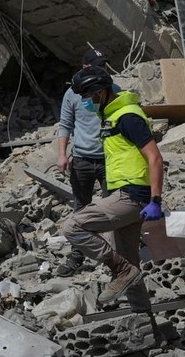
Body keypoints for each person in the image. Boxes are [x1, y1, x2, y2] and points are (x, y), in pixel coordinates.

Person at [61, 66, 163, 316]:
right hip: (123, 193)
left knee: (73, 226)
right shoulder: (112, 116)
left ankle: (122, 271)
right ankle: (145, 321)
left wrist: (156, 200)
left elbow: (155, 158)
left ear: (101, 91)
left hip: (132, 196)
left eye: (90, 96)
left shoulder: (128, 117)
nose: (88, 102)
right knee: (130, 262)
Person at [56, 49, 119, 276]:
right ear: (85, 67)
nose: (100, 69)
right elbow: (65, 125)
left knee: (113, 208)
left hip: (109, 160)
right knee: (81, 210)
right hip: (82, 160)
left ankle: (117, 258)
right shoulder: (72, 94)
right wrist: (62, 154)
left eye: (103, 65)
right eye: (96, 65)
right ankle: (77, 255)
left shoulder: (114, 90)